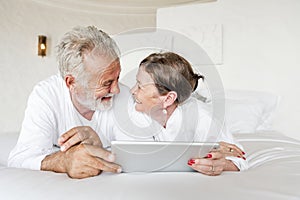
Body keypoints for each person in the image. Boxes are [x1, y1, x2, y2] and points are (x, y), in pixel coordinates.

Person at [60, 52, 248, 176]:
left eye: (140, 86)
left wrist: (222, 165)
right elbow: (128, 154)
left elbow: (239, 158)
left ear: (167, 99)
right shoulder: (137, 113)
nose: (132, 91)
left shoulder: (202, 117)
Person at [8, 26, 127, 179]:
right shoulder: (46, 95)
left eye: (118, 77)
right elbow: (20, 159)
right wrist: (64, 160)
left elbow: (142, 154)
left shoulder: (125, 95)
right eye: (107, 83)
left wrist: (101, 150)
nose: (116, 90)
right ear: (71, 83)